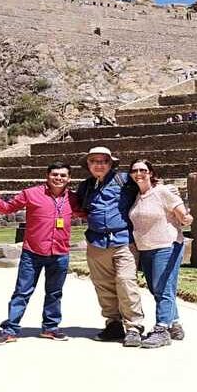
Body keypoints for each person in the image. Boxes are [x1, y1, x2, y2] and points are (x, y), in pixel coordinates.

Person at [0, 163, 84, 346]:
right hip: (33, 252)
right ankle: (10, 329)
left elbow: (87, 213)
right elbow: (8, 208)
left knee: (54, 293)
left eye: (63, 175)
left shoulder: (73, 198)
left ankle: (50, 328)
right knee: (22, 292)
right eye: (55, 174)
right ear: (47, 176)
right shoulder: (31, 193)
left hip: (60, 252)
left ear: (69, 179)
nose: (58, 178)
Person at [76, 146, 145, 347]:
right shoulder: (86, 186)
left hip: (124, 240)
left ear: (111, 163)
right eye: (94, 161)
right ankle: (113, 323)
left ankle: (133, 327)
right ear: (88, 164)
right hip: (97, 242)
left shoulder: (125, 181)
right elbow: (78, 207)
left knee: (126, 282)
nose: (99, 165)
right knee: (103, 284)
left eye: (103, 161)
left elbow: (149, 189)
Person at [128, 159, 192, 348]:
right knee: (157, 288)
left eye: (143, 170)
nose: (139, 173)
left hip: (167, 245)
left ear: (151, 173)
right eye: (135, 170)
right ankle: (175, 324)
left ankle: (161, 329)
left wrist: (187, 218)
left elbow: (183, 215)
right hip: (146, 249)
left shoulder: (163, 192)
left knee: (163, 287)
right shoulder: (136, 196)